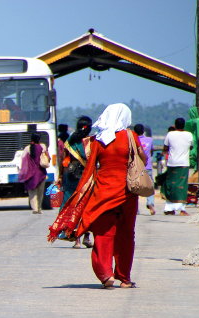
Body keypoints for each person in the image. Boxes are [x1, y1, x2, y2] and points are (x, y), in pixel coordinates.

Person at [48, 103, 147, 289]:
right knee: (126, 235)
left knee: (103, 234)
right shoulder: (130, 136)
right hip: (127, 193)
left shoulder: (97, 140)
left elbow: (90, 166)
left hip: (102, 192)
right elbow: (143, 159)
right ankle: (124, 278)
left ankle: (106, 275)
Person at [59, 116, 93, 248]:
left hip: (70, 176)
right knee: (87, 206)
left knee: (72, 206)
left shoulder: (70, 140)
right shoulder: (91, 142)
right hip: (86, 176)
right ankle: (86, 237)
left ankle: (76, 239)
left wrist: (60, 176)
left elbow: (63, 158)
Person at [161, 118, 193, 216]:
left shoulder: (170, 134)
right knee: (182, 186)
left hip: (172, 163)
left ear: (175, 125)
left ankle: (169, 208)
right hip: (184, 163)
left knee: (171, 186)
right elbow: (191, 146)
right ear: (184, 125)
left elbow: (165, 147)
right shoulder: (189, 135)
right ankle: (182, 209)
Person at [18, 133, 49, 214]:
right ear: (39, 139)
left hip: (31, 174)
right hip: (41, 173)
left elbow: (23, 158)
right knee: (40, 192)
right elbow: (48, 157)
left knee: (32, 192)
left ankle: (34, 208)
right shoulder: (43, 146)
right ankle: (39, 208)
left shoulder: (27, 148)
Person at [134, 124, 156, 215]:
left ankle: (136, 208)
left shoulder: (133, 141)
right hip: (147, 167)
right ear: (143, 131)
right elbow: (151, 151)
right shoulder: (149, 140)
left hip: (136, 168)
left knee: (135, 188)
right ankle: (150, 203)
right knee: (149, 186)